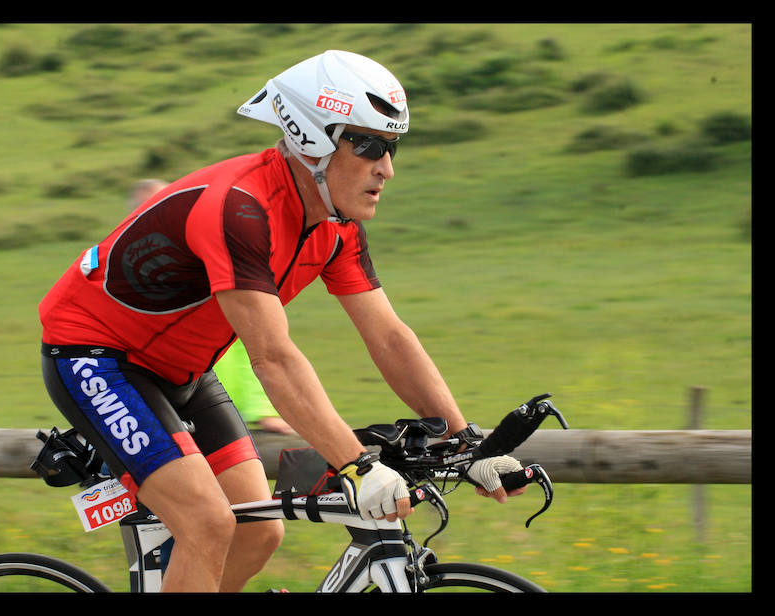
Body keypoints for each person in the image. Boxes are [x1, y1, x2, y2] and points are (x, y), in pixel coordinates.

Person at [39, 49, 525, 593]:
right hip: (97, 359)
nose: (386, 168)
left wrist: (467, 441)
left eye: (392, 148)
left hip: (185, 372)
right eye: (368, 145)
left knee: (259, 529)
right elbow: (273, 358)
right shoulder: (241, 210)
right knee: (207, 523)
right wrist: (356, 467)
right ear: (314, 139)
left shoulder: (334, 226)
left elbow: (388, 336)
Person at [128, 180, 296, 436]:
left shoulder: (208, 265)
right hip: (151, 415)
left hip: (218, 412)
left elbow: (250, 338)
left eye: (165, 206)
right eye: (148, 211)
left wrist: (263, 411)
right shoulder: (122, 279)